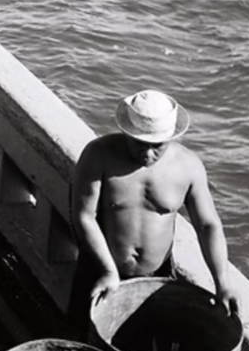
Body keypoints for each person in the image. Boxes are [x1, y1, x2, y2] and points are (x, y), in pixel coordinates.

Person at [71, 89, 237, 318]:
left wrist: (223, 284)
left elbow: (208, 225)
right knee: (83, 341)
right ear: (126, 132)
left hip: (156, 278)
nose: (148, 153)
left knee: (148, 347)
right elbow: (84, 216)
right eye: (139, 143)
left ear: (171, 137)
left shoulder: (189, 166)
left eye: (157, 145)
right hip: (99, 269)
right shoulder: (98, 155)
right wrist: (108, 271)